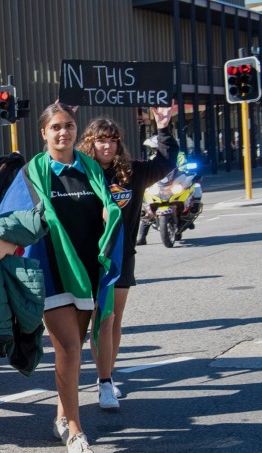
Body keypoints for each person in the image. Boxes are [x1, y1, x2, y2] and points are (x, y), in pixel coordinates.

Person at [0, 102, 124, 453]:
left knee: (76, 348)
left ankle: (61, 418)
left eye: (68, 125)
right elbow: (9, 218)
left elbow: (108, 210)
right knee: (68, 348)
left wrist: (108, 214)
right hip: (51, 272)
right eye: (55, 127)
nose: (63, 132)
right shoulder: (31, 173)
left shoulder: (91, 169)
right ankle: (78, 433)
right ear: (44, 133)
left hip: (88, 272)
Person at [77, 107, 177, 409]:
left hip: (121, 258)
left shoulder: (131, 172)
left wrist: (162, 127)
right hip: (86, 258)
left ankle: (105, 380)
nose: (106, 146)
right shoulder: (80, 171)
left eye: (112, 140)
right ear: (90, 142)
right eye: (100, 140)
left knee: (111, 320)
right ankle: (99, 377)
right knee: (94, 321)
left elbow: (165, 162)